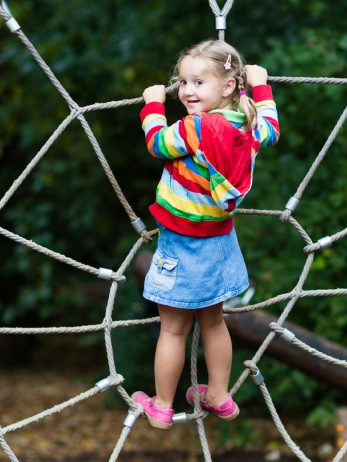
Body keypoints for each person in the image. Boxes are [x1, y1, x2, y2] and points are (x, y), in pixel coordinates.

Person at [131, 39, 280, 430]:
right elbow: (272, 130)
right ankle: (219, 393)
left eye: (199, 82)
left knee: (174, 328)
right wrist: (261, 84)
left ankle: (162, 405)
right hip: (220, 241)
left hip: (181, 244)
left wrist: (151, 104)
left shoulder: (195, 126)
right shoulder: (246, 125)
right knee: (214, 322)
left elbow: (156, 143)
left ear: (228, 86)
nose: (187, 91)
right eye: (182, 82)